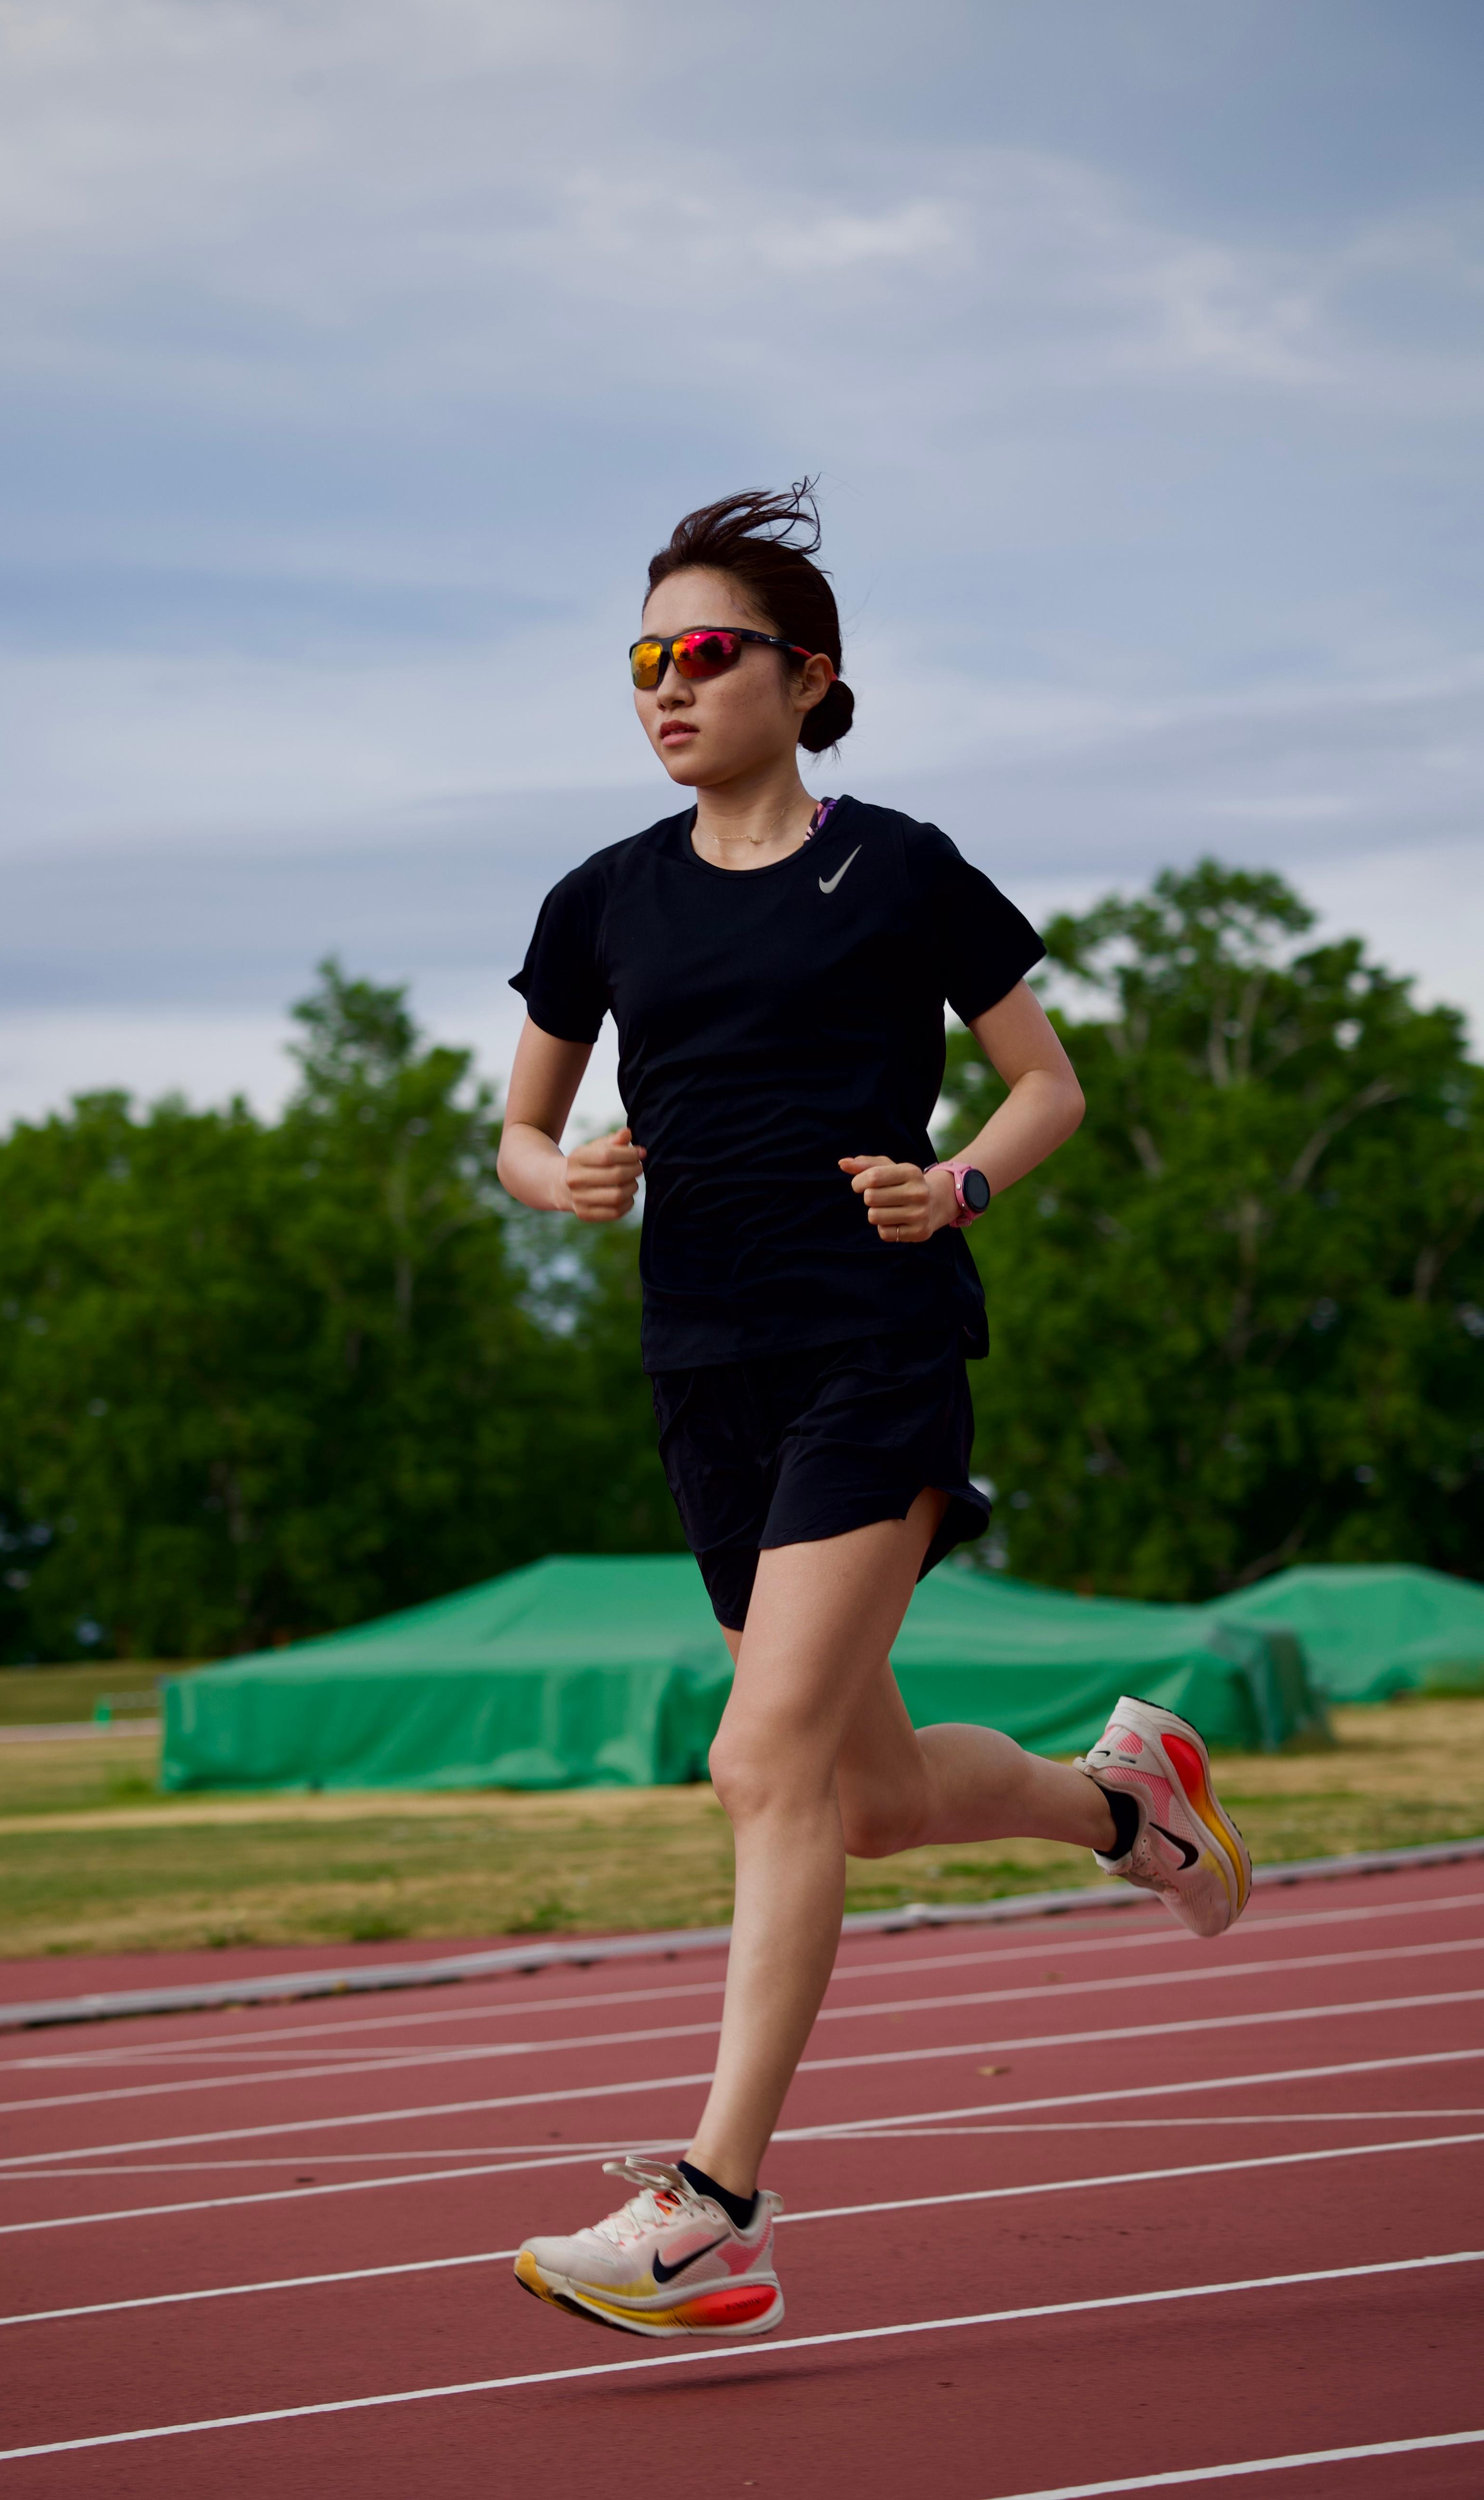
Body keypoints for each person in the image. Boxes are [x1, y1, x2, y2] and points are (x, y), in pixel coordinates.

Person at [496, 486, 1251, 2343]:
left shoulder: (901, 868)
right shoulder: (601, 899)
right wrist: (558, 1178)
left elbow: (1047, 1086)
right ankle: (1123, 1803)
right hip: (704, 1367)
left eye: (704, 651)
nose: (666, 687)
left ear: (808, 677)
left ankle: (715, 2212)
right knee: (875, 1803)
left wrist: (961, 1186)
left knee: (759, 1767)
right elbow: (518, 1129)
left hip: (872, 1346)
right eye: (643, 658)